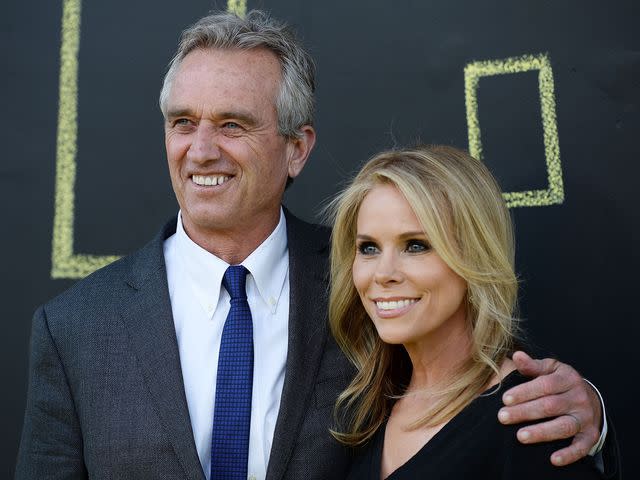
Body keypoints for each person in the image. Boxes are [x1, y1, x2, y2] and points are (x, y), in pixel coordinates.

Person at [16, 10, 612, 480]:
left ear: (297, 148)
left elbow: (481, 390)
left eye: (232, 124)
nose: (200, 150)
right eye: (182, 122)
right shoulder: (75, 330)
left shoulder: (366, 285)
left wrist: (589, 408)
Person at [328, 145, 615, 478]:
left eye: (416, 245)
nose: (382, 273)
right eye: (369, 248)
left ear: (473, 257)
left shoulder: (529, 418)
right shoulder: (366, 408)